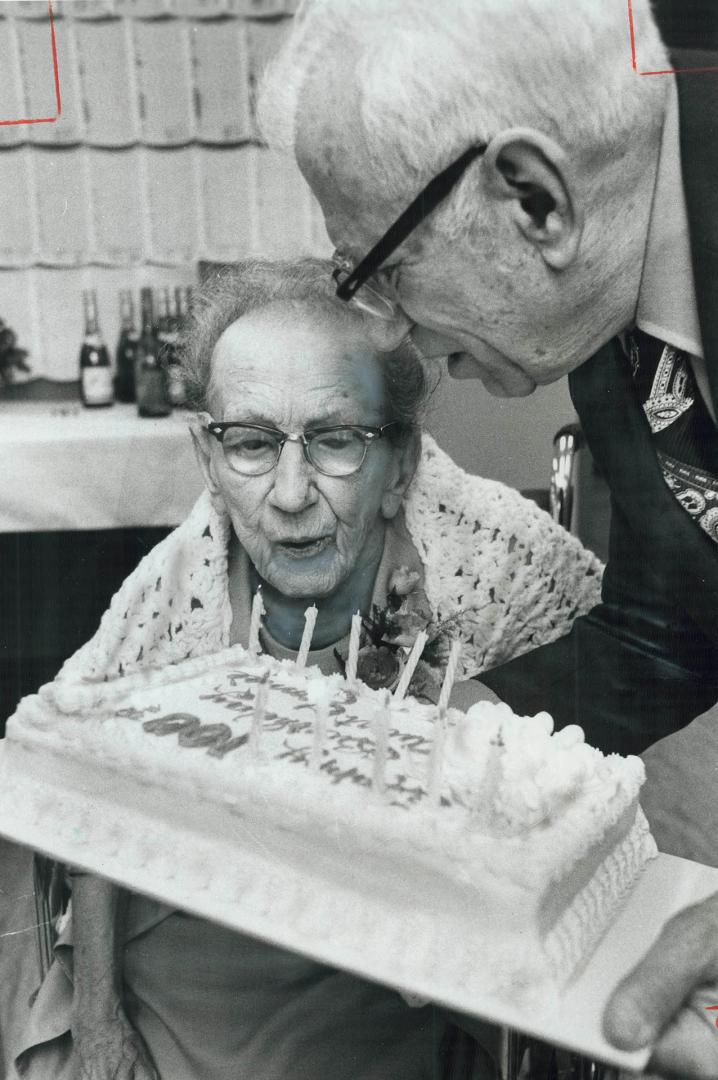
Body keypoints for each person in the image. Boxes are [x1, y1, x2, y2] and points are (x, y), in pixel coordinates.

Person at [255, 1, 718, 1075]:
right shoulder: (611, 302)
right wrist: (468, 726)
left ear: (532, 198)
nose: (394, 333)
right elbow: (674, 623)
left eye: (381, 272)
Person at [13, 258, 602, 1080]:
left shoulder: (486, 559)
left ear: (400, 463)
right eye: (251, 443)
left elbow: (612, 724)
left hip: (391, 976)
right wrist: (100, 1017)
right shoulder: (185, 582)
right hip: (194, 946)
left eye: (335, 441)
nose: (290, 494)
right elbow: (90, 791)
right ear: (209, 459)